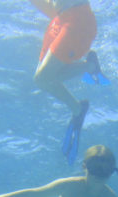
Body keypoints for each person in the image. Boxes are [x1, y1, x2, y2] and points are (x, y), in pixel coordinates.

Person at [29, 1, 108, 164]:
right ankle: (79, 103)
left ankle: (89, 70)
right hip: (60, 18)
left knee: (42, 78)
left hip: (77, 19)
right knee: (43, 76)